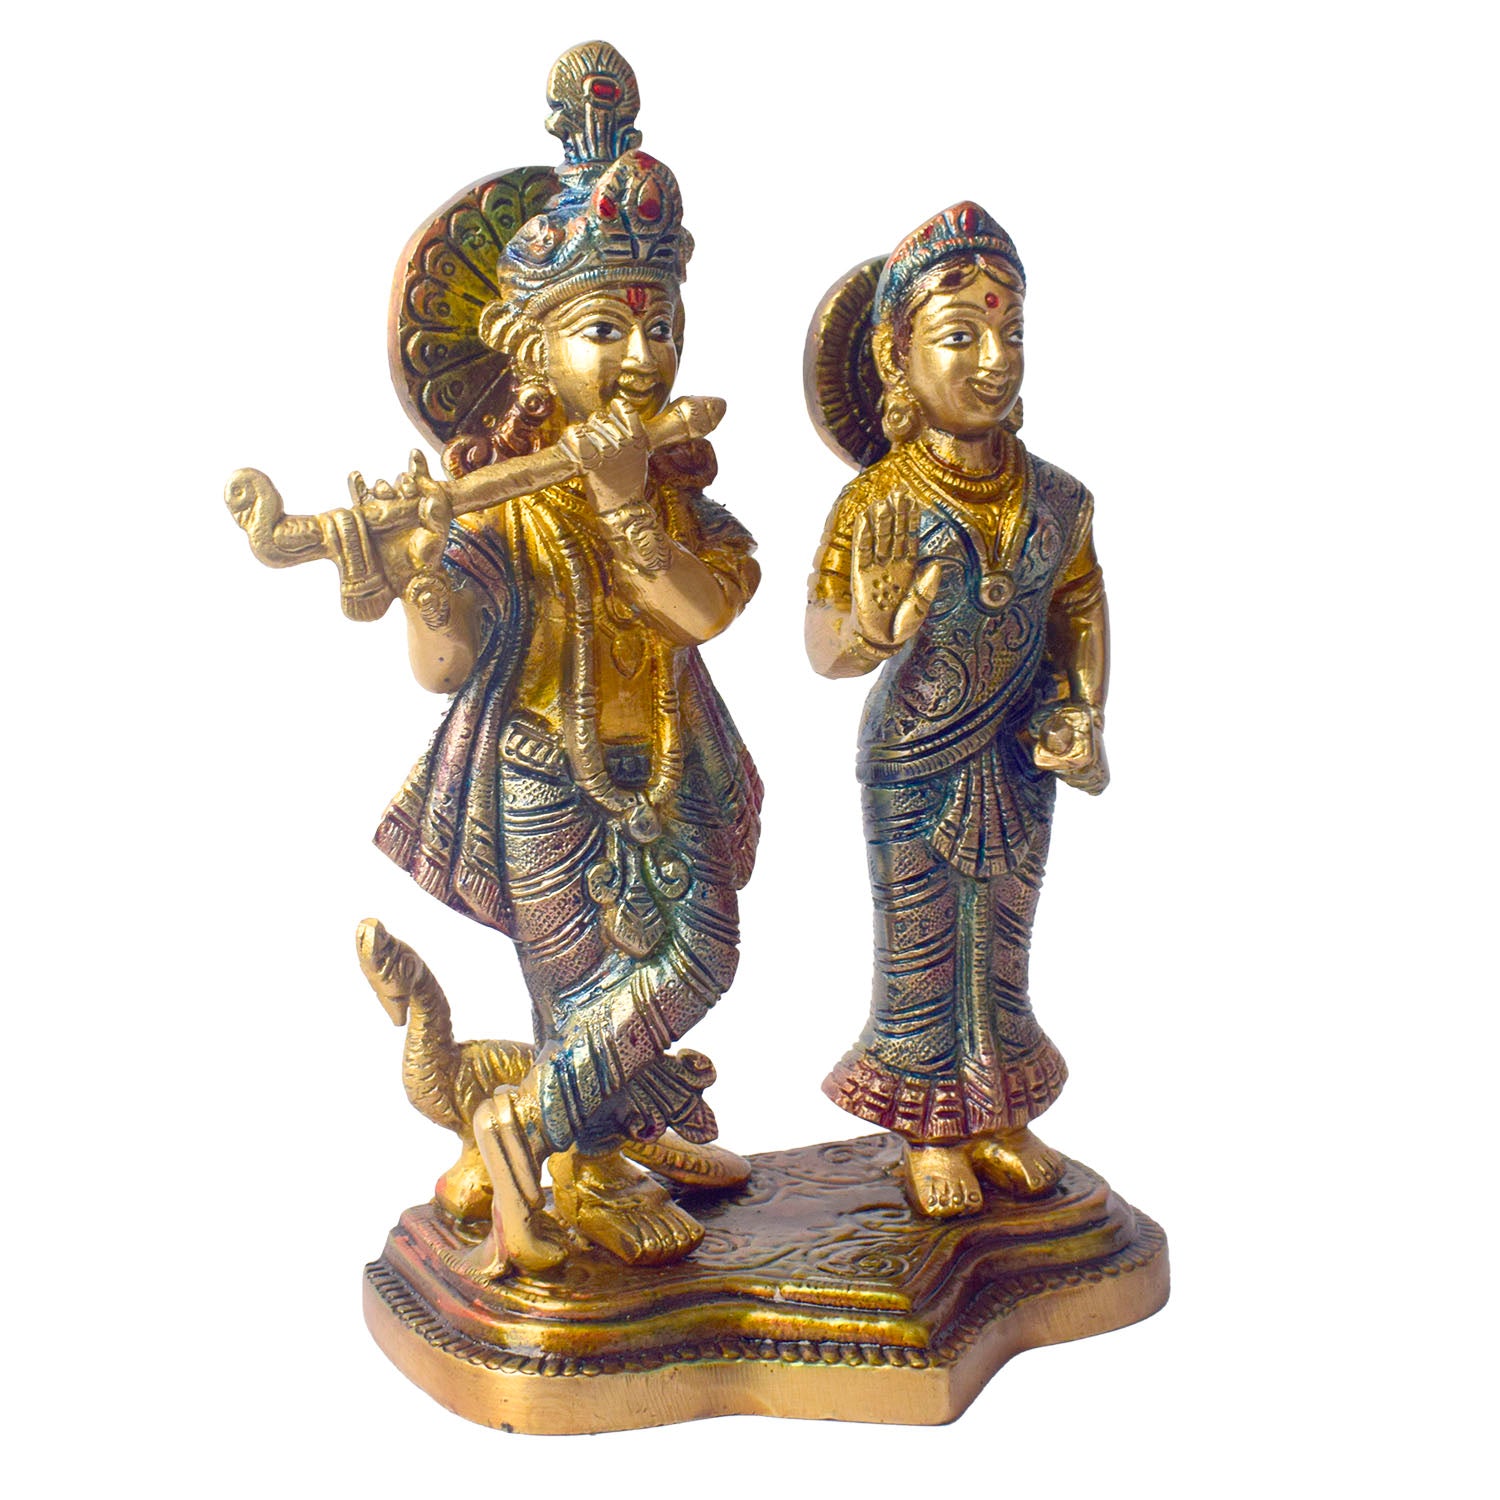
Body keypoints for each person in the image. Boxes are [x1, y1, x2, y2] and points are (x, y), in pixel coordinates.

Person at [377, 44, 761, 1273]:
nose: (643, 358)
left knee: (697, 956)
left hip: (673, 764)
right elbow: (444, 665)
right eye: (605, 328)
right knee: (584, 987)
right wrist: (420, 574)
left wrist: (631, 506)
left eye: (661, 324)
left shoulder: (673, 492)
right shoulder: (507, 504)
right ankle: (575, 1164)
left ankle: (540, 1127)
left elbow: (702, 612)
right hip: (544, 777)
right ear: (530, 352)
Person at [805, 202, 1109, 1219]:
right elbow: (821, 645)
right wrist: (869, 629)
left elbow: (1078, 604)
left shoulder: (1057, 499)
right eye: (961, 335)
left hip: (1019, 754)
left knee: (1004, 941)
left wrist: (1083, 707)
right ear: (897, 358)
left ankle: (998, 1114)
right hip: (915, 759)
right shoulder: (878, 503)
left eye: (1011, 333)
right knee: (924, 947)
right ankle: (928, 1127)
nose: (994, 360)